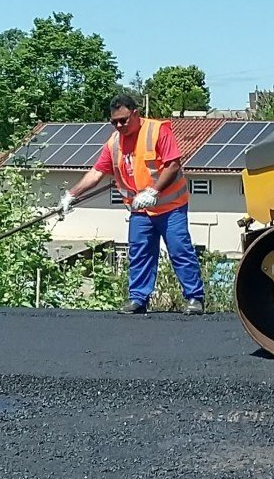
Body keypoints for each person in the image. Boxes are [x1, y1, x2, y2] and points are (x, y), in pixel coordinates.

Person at [59, 92, 206, 315]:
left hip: (171, 206)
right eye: (114, 121)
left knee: (179, 250)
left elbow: (173, 165)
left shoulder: (157, 130)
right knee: (139, 252)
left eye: (123, 120)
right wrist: (72, 194)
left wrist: (154, 191)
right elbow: (98, 172)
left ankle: (195, 298)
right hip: (141, 210)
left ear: (135, 114)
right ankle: (138, 299)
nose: (119, 125)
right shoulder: (114, 143)